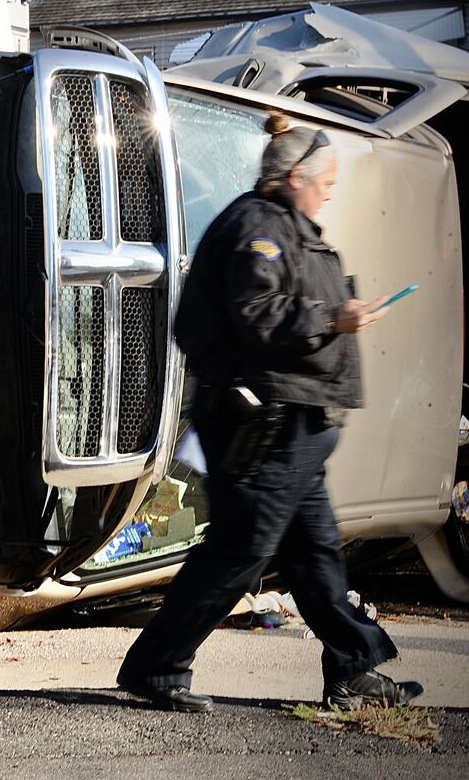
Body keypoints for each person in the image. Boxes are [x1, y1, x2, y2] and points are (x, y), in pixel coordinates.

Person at [117, 113, 422, 714]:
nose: (332, 190)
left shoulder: (287, 225)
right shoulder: (259, 226)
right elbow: (256, 310)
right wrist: (332, 318)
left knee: (316, 551)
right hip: (264, 425)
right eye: (326, 180)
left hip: (298, 427)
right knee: (242, 549)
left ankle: (353, 672)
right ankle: (157, 666)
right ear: (295, 177)